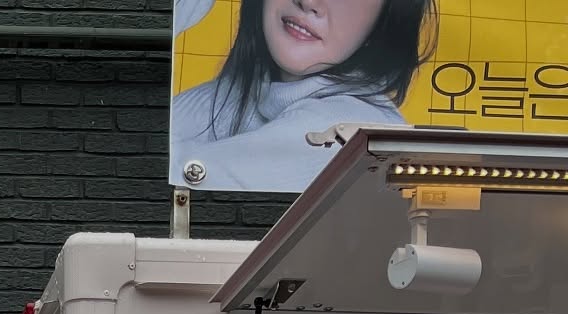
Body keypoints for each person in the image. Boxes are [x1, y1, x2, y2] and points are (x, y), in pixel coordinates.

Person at [171, 0, 436, 194]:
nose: (308, 2)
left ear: (388, 14)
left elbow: (162, 181)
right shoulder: (236, 94)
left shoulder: (345, 132)